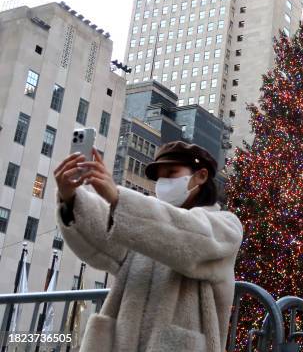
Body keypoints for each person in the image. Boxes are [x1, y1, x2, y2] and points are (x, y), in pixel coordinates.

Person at [54, 141, 243, 352]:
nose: (163, 183)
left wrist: (117, 197)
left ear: (201, 176)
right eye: (159, 178)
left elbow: (190, 238)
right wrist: (70, 197)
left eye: (171, 173)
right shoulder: (141, 225)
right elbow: (103, 234)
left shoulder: (226, 227)